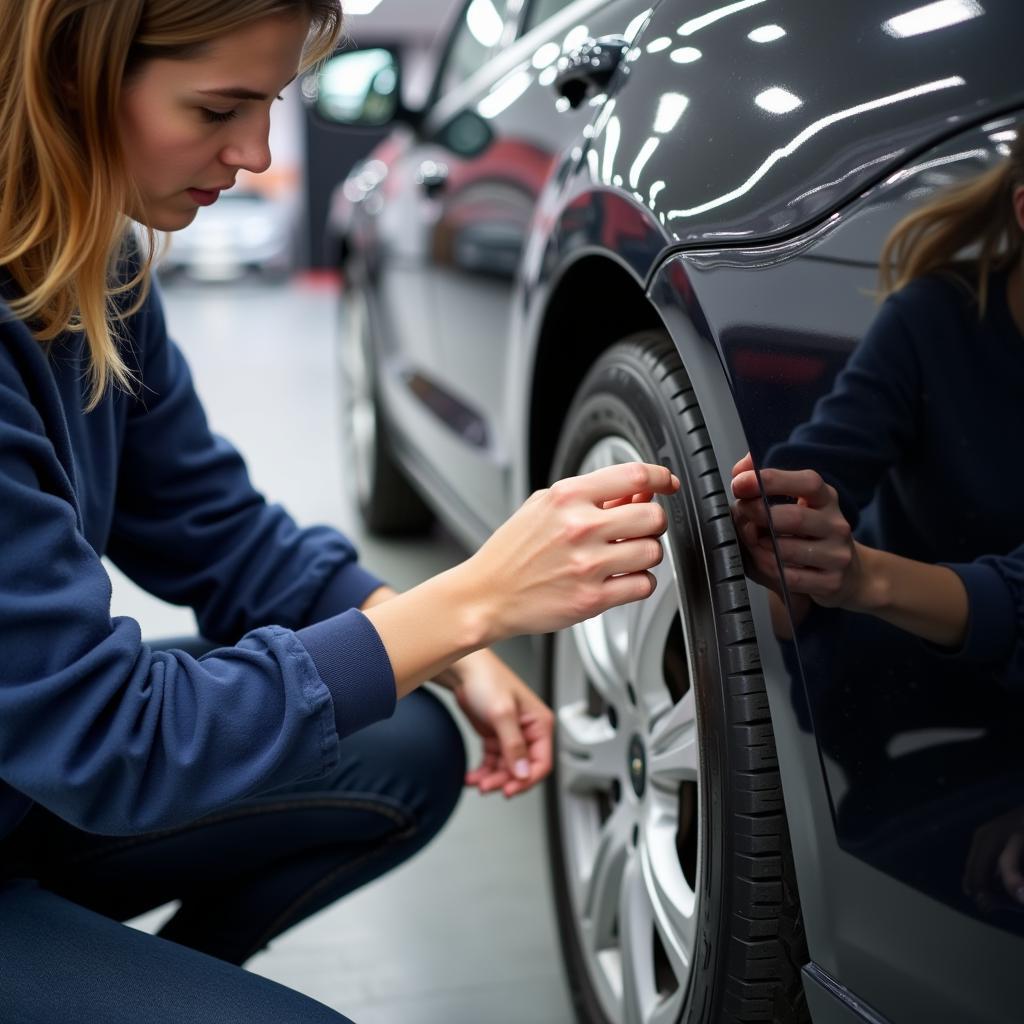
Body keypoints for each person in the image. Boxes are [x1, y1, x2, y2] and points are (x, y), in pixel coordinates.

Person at [0, 3, 679, 1022]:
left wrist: (440, 643)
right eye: (219, 107)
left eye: (270, 104)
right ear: (67, 74)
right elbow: (109, 738)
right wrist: (469, 604)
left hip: (24, 789)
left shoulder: (98, 266)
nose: (257, 151)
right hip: (66, 763)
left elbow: (218, 530)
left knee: (405, 736)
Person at [729, 130, 1024, 908]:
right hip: (910, 703)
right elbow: (822, 464)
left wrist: (860, 575)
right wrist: (784, 534)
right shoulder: (937, 320)